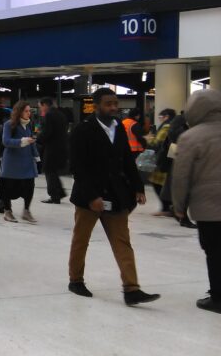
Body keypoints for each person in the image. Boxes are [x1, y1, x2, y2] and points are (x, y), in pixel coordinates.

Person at [67, 88, 158, 306]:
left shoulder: (118, 129)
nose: (114, 107)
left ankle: (132, 289)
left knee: (122, 242)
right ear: (97, 106)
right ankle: (76, 280)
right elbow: (78, 168)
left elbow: (127, 160)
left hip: (116, 196)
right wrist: (92, 196)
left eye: (115, 103)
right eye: (109, 103)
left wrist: (138, 187)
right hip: (89, 198)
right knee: (81, 240)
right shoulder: (83, 130)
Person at [170, 89, 221, 314]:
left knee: (214, 251)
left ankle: (218, 297)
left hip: (208, 208)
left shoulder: (191, 137)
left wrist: (179, 207)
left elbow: (181, 177)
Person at [0, 101, 39, 224]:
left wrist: (36, 156)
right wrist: (22, 141)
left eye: (29, 111)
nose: (29, 113)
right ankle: (7, 211)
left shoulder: (29, 125)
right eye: (26, 111)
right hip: (11, 163)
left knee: (29, 186)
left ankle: (26, 210)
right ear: (19, 111)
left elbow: (31, 140)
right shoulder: (9, 125)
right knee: (7, 187)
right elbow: (6, 141)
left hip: (26, 162)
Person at [37, 97, 68, 204]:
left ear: (45, 104)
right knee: (53, 171)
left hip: (52, 147)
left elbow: (47, 132)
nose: (40, 109)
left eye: (40, 106)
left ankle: (54, 196)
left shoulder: (49, 115)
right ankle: (60, 192)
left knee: (48, 170)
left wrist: (38, 139)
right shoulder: (61, 114)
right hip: (61, 146)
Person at [147, 108, 176, 217]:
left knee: (157, 182)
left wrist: (149, 138)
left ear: (166, 116)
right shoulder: (174, 126)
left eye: (160, 117)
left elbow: (157, 142)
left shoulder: (166, 127)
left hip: (163, 160)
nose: (159, 119)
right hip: (170, 159)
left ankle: (167, 207)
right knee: (164, 183)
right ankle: (169, 207)